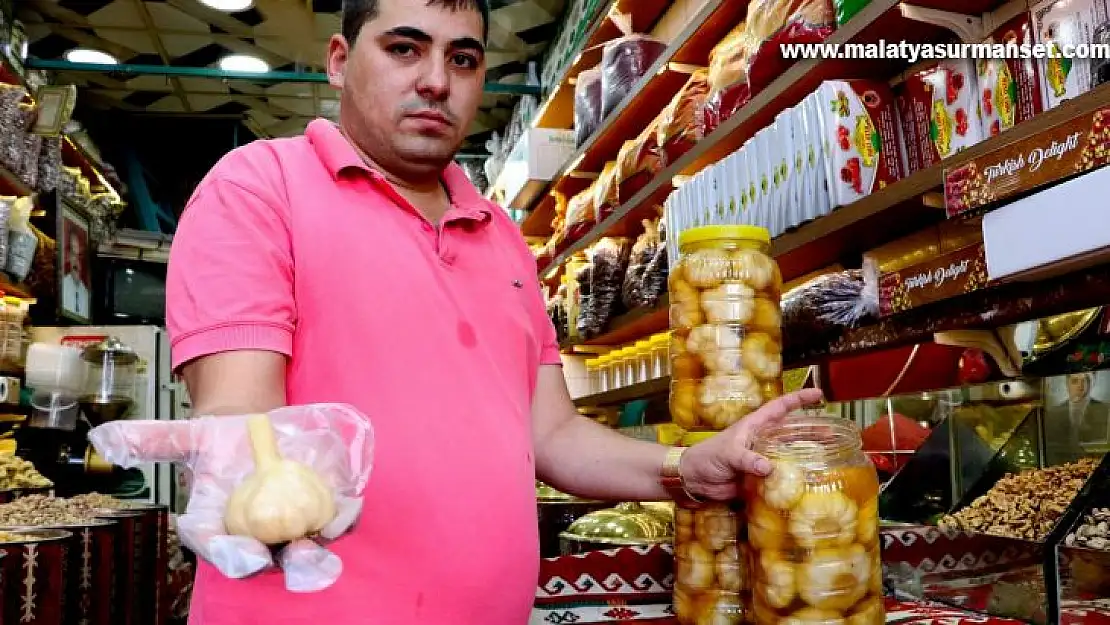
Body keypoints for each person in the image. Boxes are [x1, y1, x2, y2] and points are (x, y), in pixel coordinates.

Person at [131, 0, 824, 623]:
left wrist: (685, 467)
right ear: (340, 62)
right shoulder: (259, 188)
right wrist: (243, 466)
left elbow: (552, 434)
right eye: (404, 48)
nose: (436, 79)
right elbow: (241, 416)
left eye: (461, 58)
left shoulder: (499, 236)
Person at [1045, 372, 1110, 463]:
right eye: (1075, 381)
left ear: (1091, 383)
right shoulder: (1053, 413)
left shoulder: (1104, 410)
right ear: (1067, 384)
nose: (1080, 386)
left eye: (1085, 381)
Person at [62, 224, 89, 318]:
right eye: (73, 253)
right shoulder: (62, 287)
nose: (76, 261)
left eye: (80, 255)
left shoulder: (86, 294)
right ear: (68, 255)